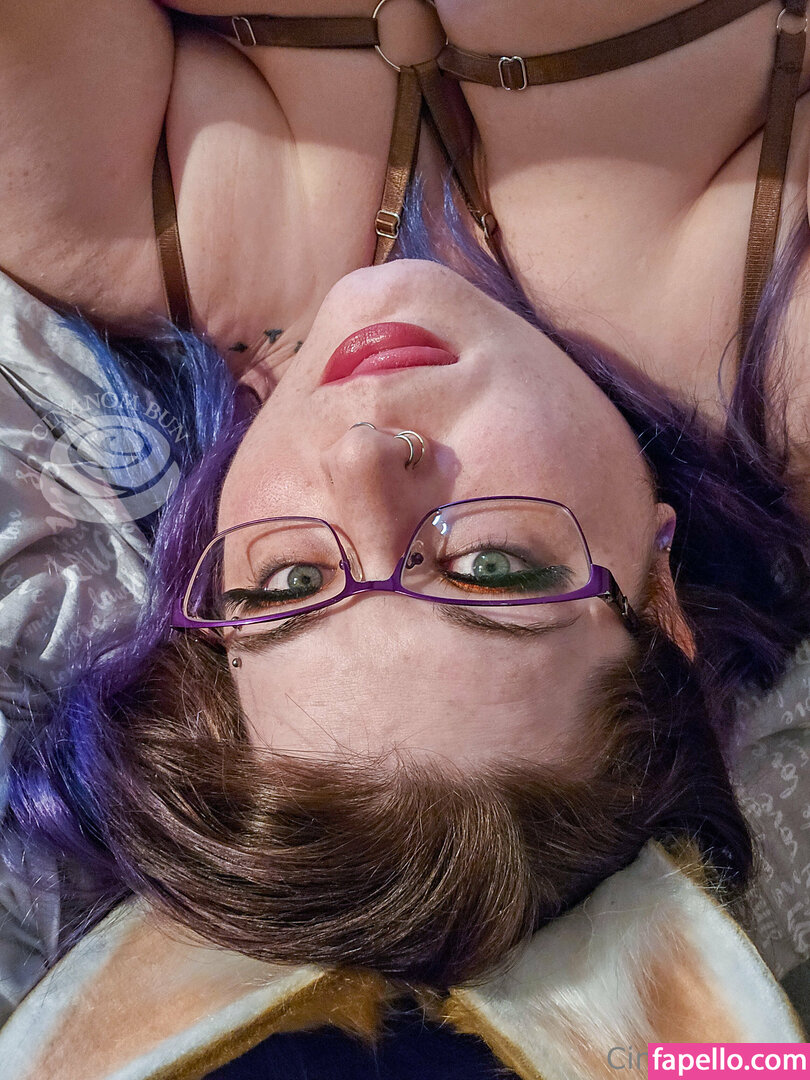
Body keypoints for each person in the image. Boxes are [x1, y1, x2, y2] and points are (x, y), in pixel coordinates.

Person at [1, 0, 810, 1067]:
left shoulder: (127, 222)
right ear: (660, 603)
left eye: (289, 584)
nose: (363, 460)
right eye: (492, 567)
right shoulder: (779, 334)